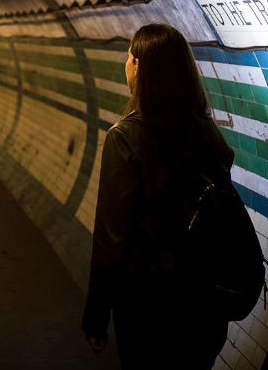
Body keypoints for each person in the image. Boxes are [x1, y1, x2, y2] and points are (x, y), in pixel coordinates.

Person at [81, 23, 232, 369]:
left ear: (137, 66)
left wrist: (96, 314)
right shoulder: (207, 134)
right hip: (204, 304)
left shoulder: (126, 138)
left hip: (148, 304)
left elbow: (111, 238)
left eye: (129, 56)